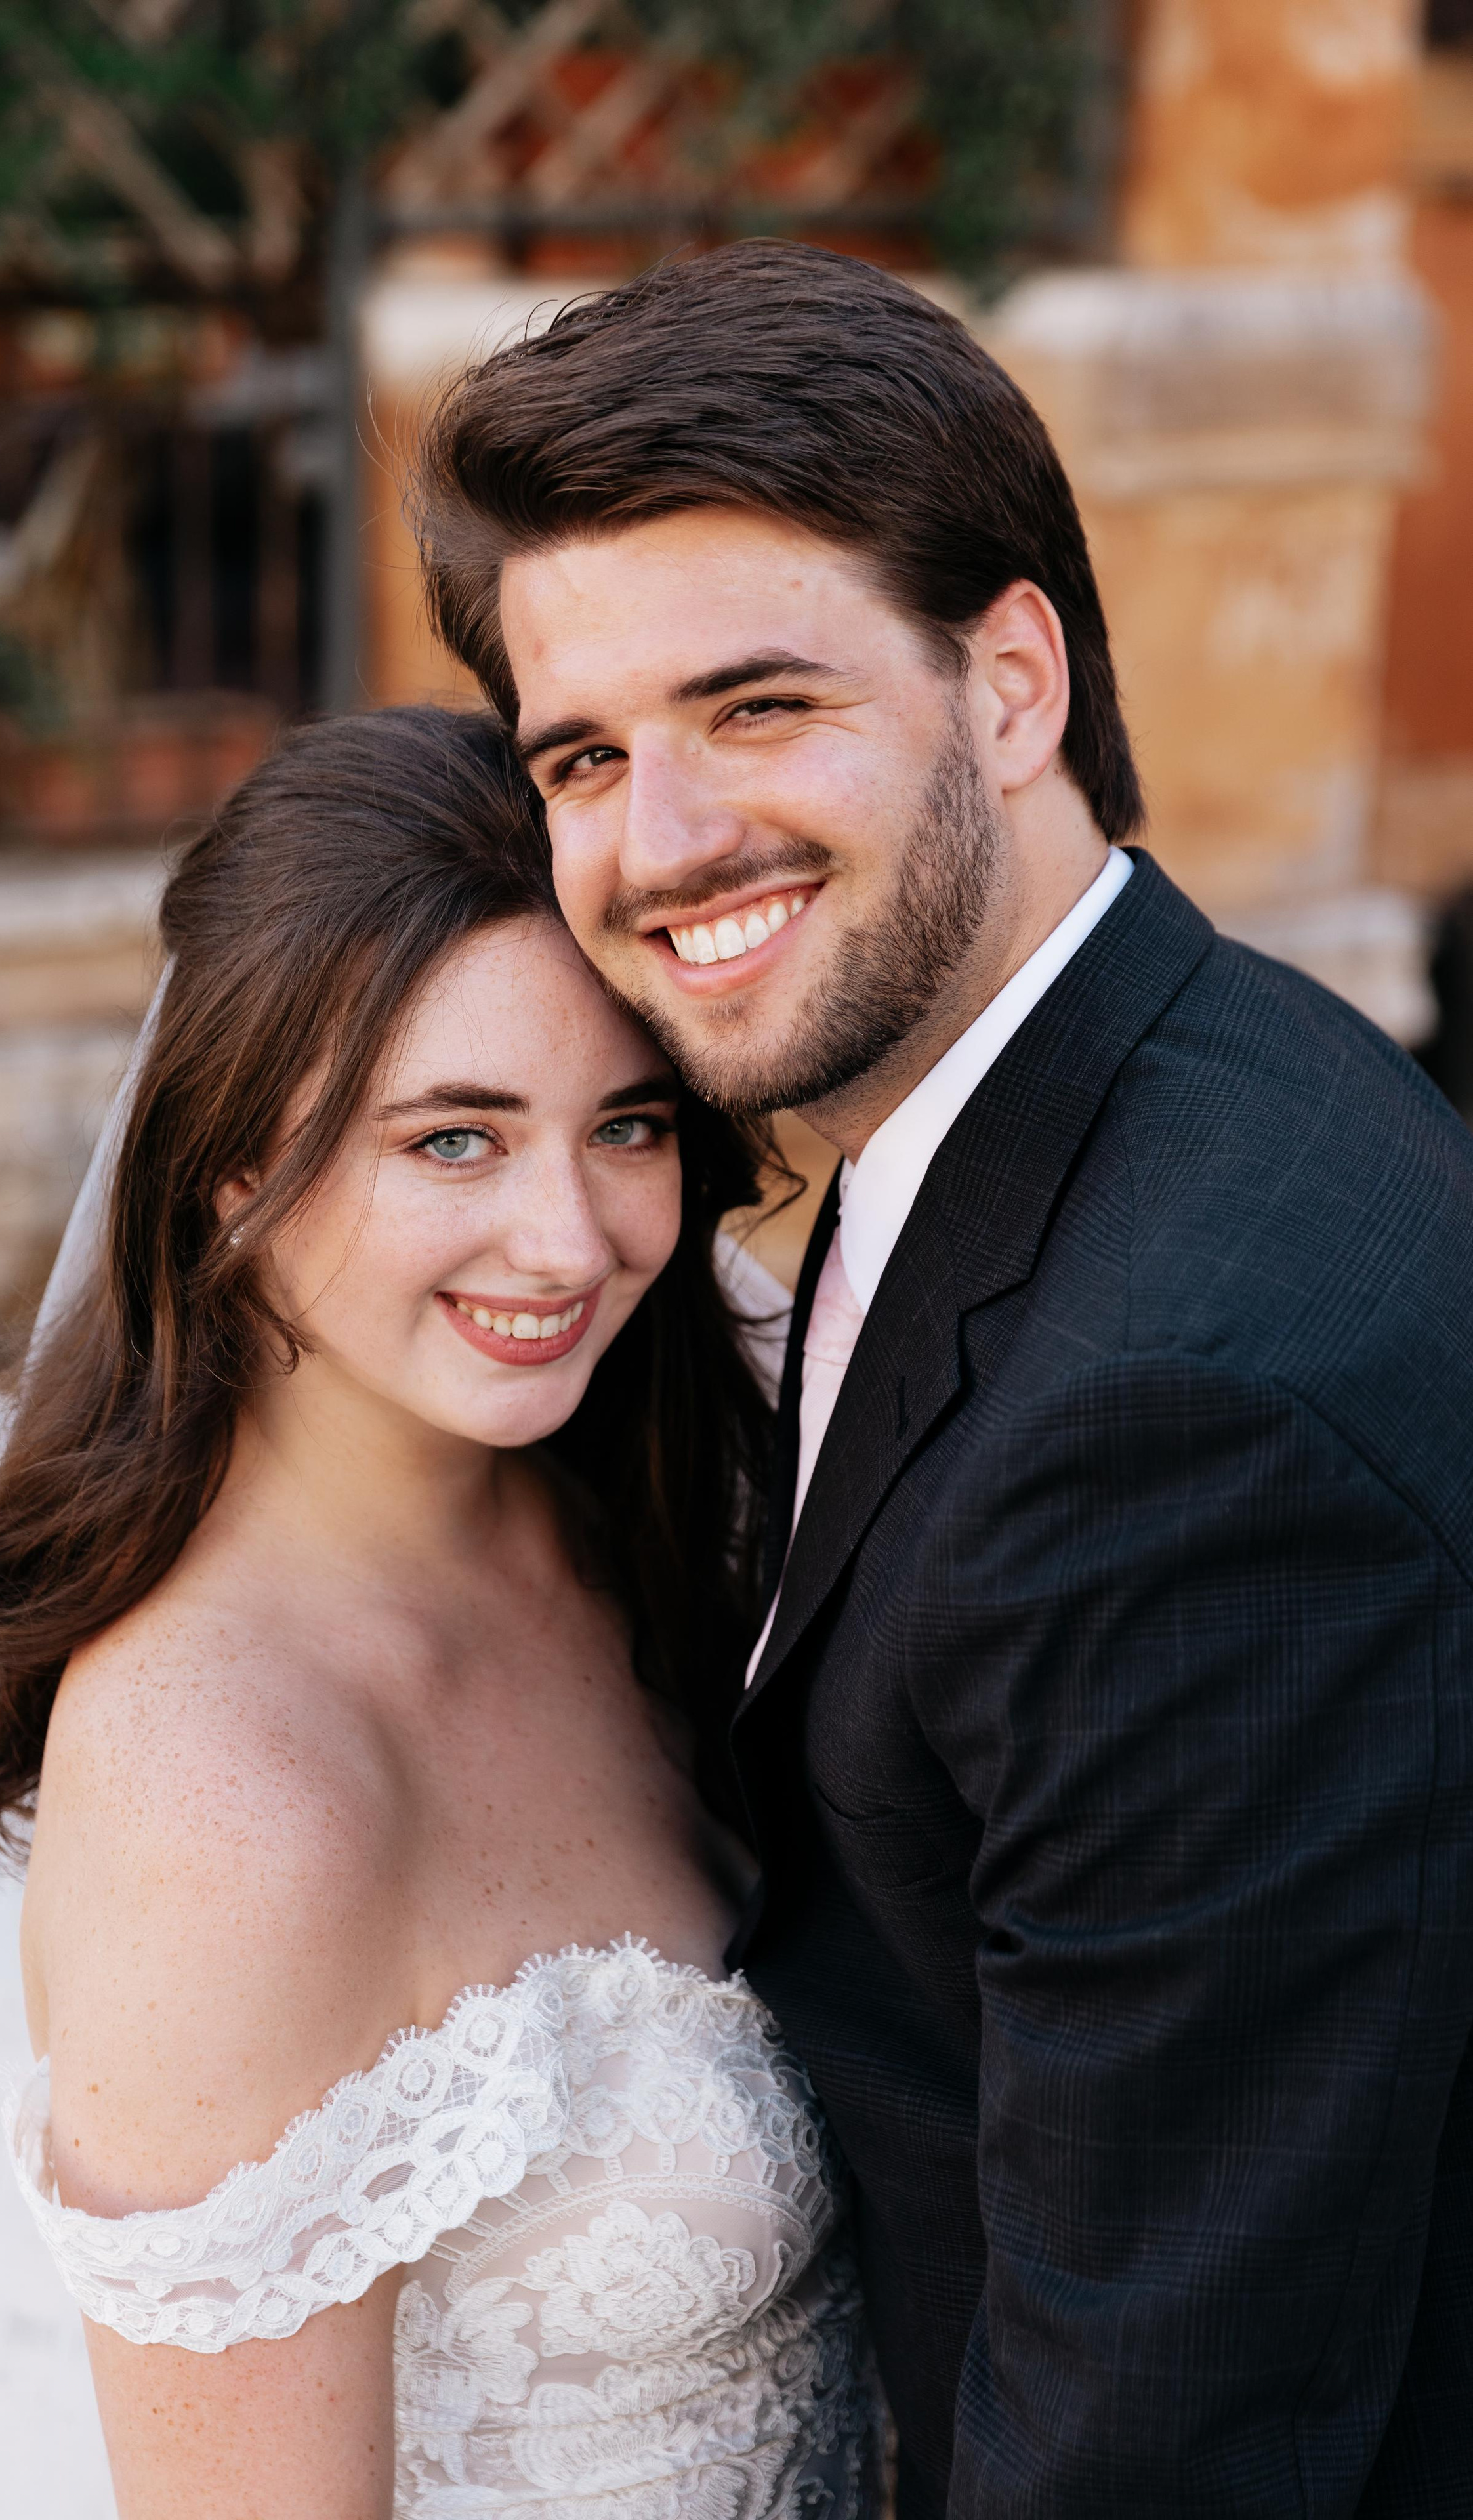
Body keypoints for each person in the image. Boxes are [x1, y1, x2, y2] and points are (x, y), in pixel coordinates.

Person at [411, 239, 1473, 2515]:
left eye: (760, 705)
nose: (661, 843)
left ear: (1012, 683)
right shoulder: (1169, 1076)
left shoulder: (1177, 1421)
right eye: (585, 754)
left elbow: (1165, 2445)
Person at [0, 706, 879, 2520]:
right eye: (455, 1142)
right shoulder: (225, 1796)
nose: (568, 1242)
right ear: (238, 1165)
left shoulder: (657, 1522)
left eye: (625, 1126)